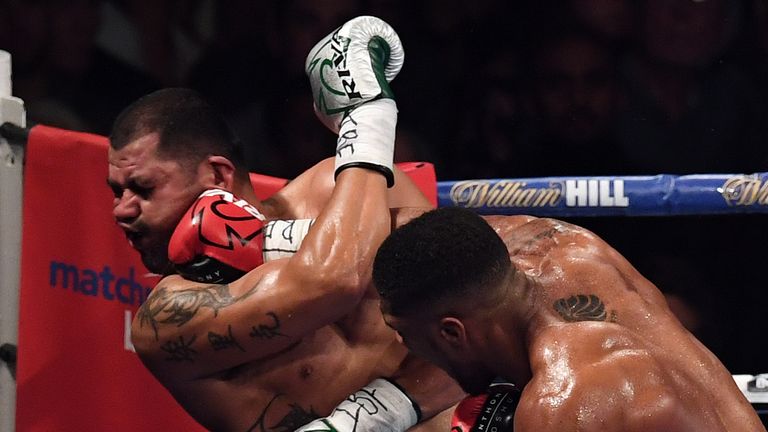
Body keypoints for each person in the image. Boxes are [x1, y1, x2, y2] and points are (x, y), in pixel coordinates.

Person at [107, 17, 462, 432]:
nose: (121, 210)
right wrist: (366, 114)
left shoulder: (336, 187)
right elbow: (334, 280)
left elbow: (468, 310)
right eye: (116, 191)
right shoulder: (165, 320)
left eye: (143, 188)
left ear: (218, 177)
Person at [373, 207, 765, 431]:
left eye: (404, 333)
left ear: (451, 332)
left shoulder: (561, 404)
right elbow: (442, 233)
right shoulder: (568, 243)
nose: (403, 347)